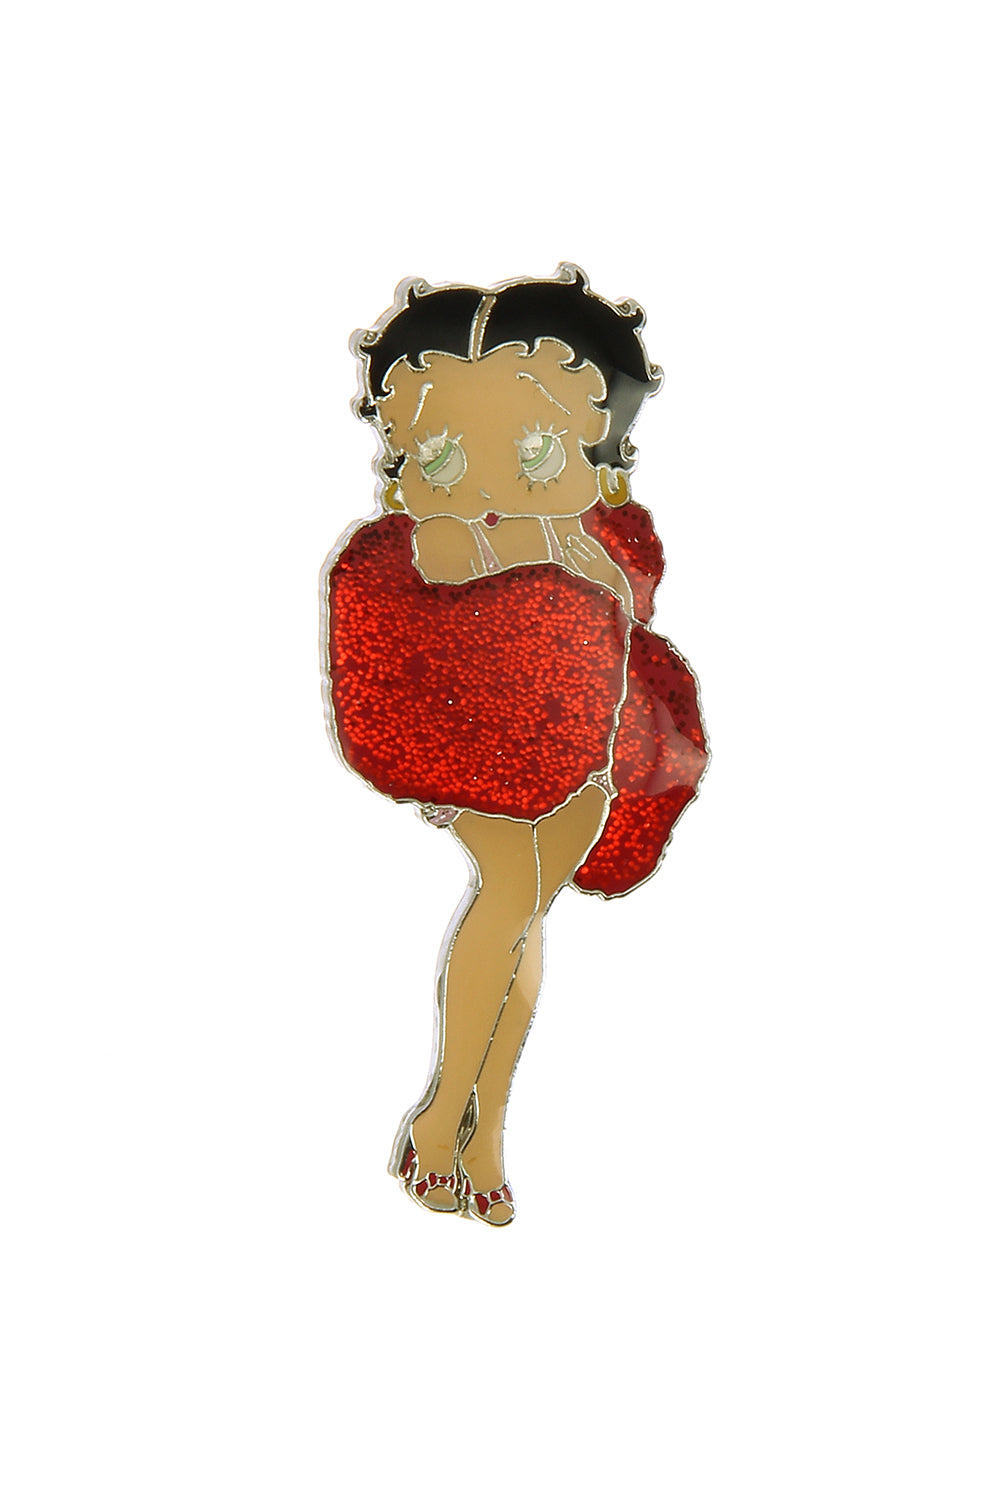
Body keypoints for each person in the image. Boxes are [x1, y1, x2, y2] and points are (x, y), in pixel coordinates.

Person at [322, 266, 708, 1225]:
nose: (484, 478)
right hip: (478, 745)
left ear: (595, 446)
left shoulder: (591, 542)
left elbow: (619, 629)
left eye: (534, 449)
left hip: (582, 746)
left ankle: (483, 1125)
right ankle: (444, 1112)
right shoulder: (445, 543)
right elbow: (445, 613)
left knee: (523, 915)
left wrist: (587, 583)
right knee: (507, 898)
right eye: (441, 453)